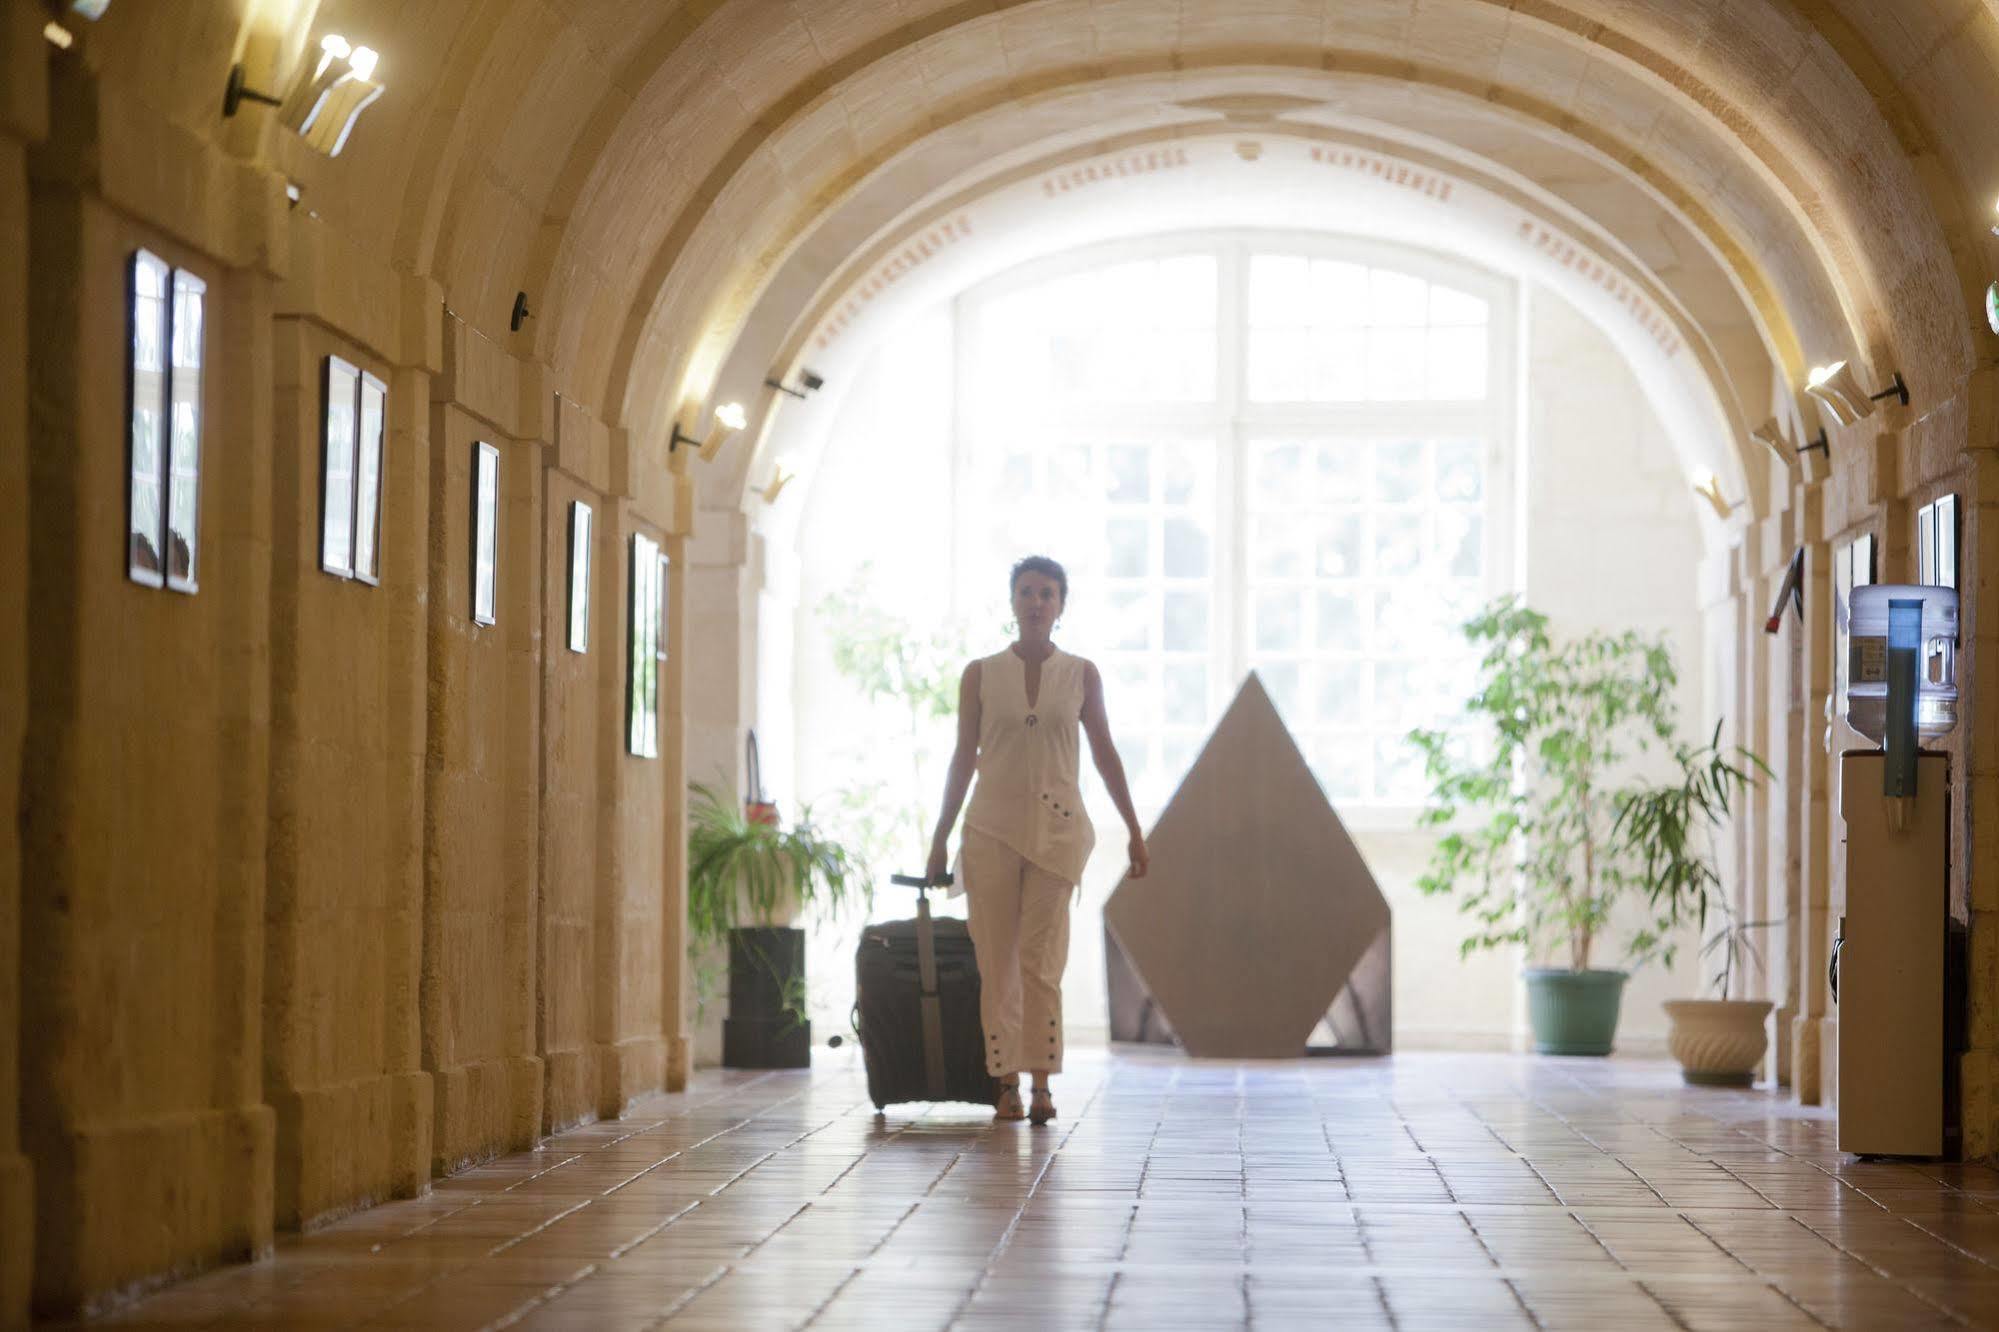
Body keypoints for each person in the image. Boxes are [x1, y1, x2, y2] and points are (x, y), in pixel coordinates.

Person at [926, 555, 1149, 1125]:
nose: (1036, 602)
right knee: (996, 960)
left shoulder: (1081, 674)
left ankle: (1043, 1080)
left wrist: (1134, 829)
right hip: (990, 832)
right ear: (1012, 601)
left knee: (1041, 961)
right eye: (1026, 592)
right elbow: (963, 759)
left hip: (1058, 835)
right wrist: (938, 839)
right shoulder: (980, 674)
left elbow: (1104, 753)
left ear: (1060, 606)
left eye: (1047, 594)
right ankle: (1004, 1081)